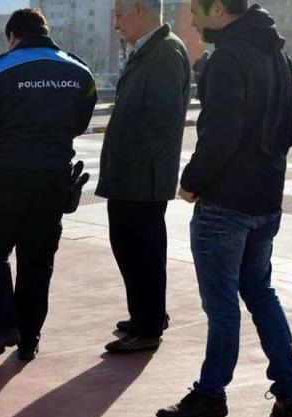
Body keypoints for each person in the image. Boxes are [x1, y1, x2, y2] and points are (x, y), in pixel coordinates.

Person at [157, 1, 292, 417]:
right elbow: (290, 127)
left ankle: (211, 393)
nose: (193, 20)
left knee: (222, 305)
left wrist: (192, 180)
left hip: (225, 203)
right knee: (259, 291)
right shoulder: (278, 54)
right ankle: (289, 386)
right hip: (266, 198)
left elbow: (221, 132)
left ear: (218, 9)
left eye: (196, 11)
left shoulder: (227, 60)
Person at [0, 8, 97, 361]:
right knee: (38, 261)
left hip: (5, 179)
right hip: (53, 179)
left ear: (13, 36)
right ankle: (29, 338)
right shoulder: (79, 69)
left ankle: (2, 326)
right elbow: (81, 121)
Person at [97, 0, 190, 353]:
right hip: (133, 175)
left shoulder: (165, 52)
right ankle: (146, 315)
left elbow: (161, 121)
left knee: (141, 250)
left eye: (120, 15)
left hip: (142, 177)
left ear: (140, 10)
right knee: (133, 249)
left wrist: (130, 164)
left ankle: (148, 326)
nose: (117, 24)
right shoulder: (148, 50)